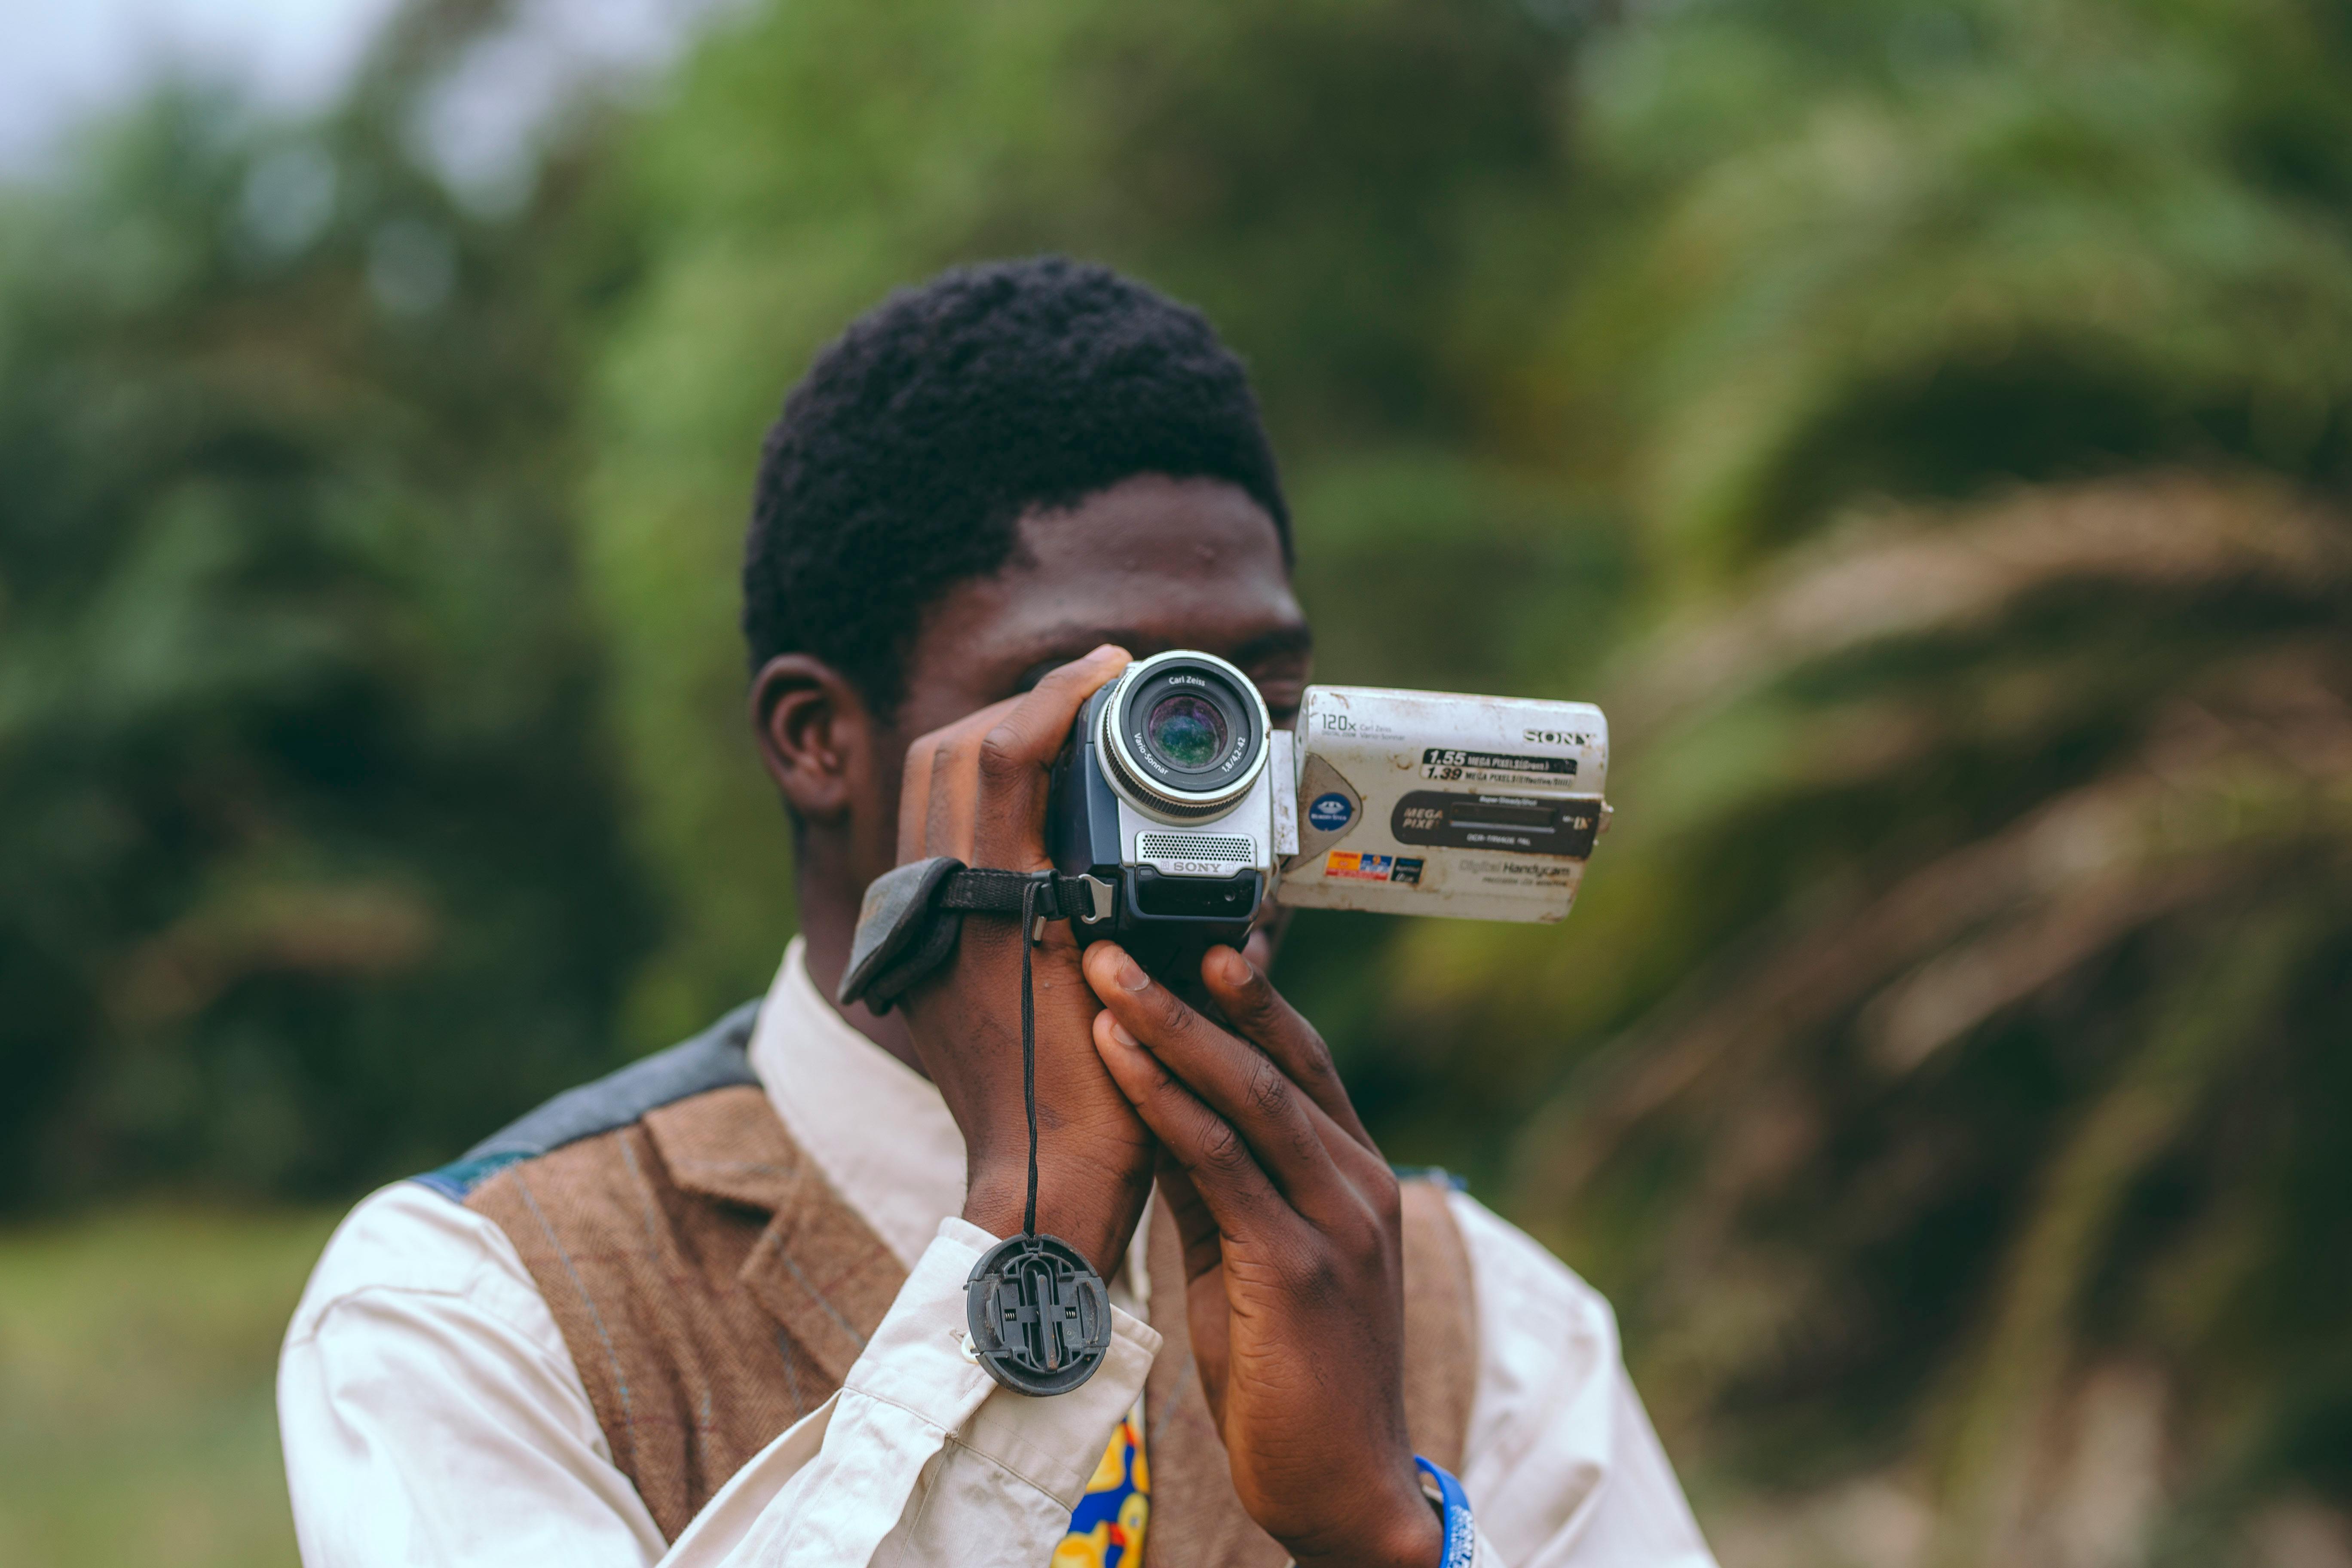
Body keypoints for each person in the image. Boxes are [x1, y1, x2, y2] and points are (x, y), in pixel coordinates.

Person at [277, 257, 1716, 1568]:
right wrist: (1037, 1233)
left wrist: (1380, 1539)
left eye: (1249, 714)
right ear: (818, 743)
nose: (1204, 793)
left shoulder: (1486, 1317)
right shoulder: (478, 1307)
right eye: (1104, 713)